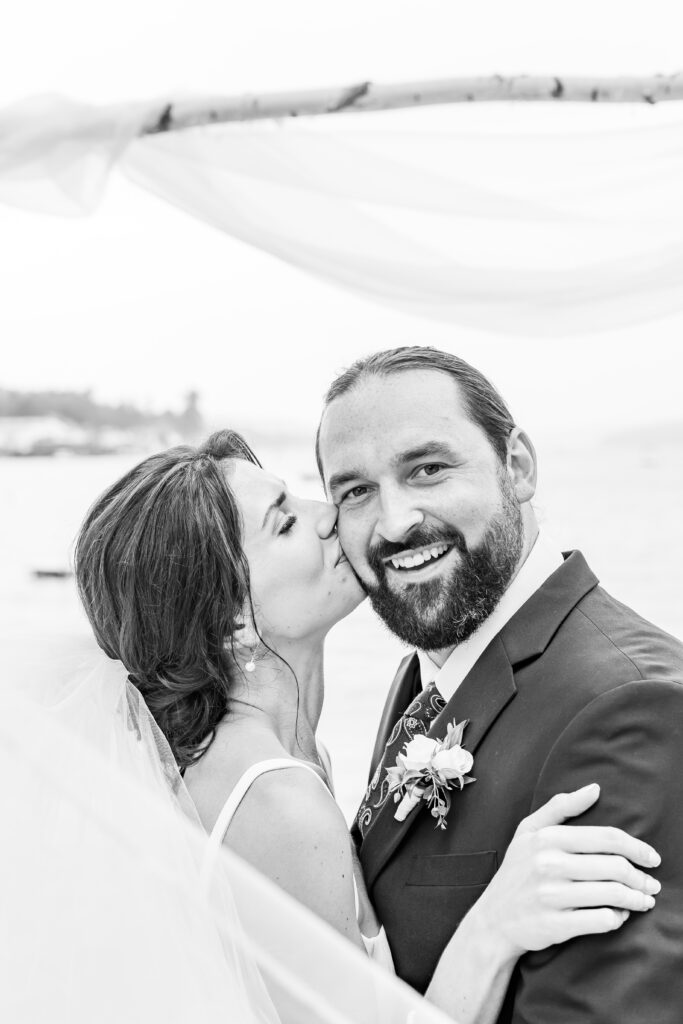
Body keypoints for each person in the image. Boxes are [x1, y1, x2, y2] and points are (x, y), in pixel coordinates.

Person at [71, 428, 661, 1024]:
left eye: (300, 498)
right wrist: (494, 927)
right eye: (285, 523)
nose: (329, 515)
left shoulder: (288, 754)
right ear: (232, 624)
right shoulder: (272, 800)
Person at [316, 345, 683, 1024]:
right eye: (355, 491)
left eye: (426, 469)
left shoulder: (631, 707)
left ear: (517, 466)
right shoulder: (424, 676)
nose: (394, 522)